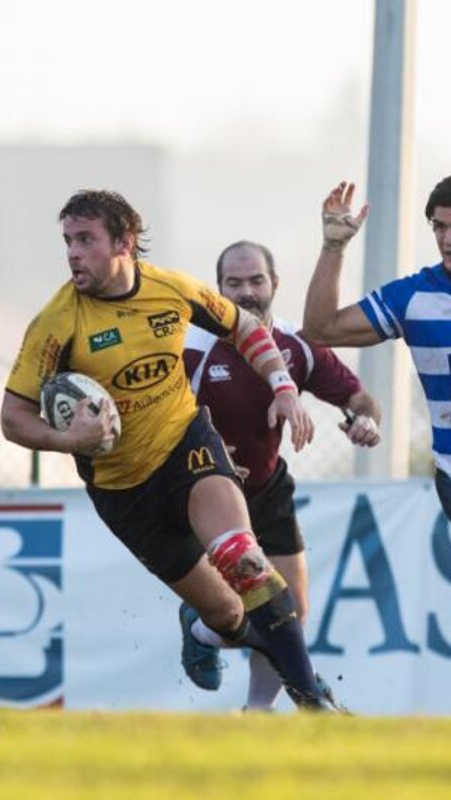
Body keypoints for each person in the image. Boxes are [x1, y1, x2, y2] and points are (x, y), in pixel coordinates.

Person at [1, 188, 342, 711]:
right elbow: (13, 418)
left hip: (187, 448)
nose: (73, 253)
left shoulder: (171, 289)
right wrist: (68, 440)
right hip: (124, 492)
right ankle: (207, 632)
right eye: (68, 241)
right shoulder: (57, 323)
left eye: (86, 240)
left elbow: (243, 325)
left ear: (124, 242)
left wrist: (282, 384)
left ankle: (313, 703)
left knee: (245, 560)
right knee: (228, 615)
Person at [180, 240, 381, 710]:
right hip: (205, 492)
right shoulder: (193, 348)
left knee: (291, 611)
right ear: (218, 289)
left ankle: (258, 714)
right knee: (234, 611)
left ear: (274, 283)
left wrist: (365, 421)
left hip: (267, 488)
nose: (246, 292)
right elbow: (157, 421)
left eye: (256, 281)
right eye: (234, 283)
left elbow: (359, 398)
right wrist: (207, 452)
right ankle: (200, 629)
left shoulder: (297, 345)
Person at [302, 178, 451, 521]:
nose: (447, 240)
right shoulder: (411, 297)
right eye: (439, 227)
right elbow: (320, 329)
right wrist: (333, 246)